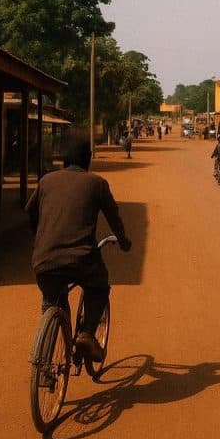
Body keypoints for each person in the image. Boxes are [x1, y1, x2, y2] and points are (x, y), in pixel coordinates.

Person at [25, 136, 132, 362]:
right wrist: (123, 241)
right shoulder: (97, 183)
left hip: (44, 260)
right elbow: (114, 218)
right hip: (82, 260)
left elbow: (30, 211)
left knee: (52, 300)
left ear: (64, 160)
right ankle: (86, 334)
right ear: (88, 160)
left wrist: (40, 238)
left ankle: (45, 357)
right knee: (99, 286)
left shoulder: (46, 181)